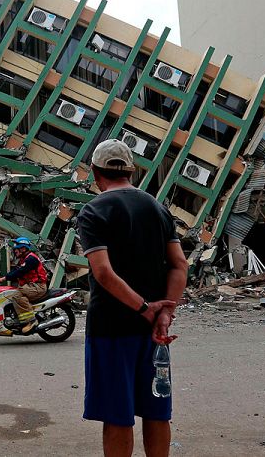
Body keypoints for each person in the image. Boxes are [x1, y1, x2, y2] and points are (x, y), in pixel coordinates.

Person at [76, 139, 187, 457]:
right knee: (156, 411)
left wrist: (143, 308)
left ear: (95, 173)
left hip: (111, 329)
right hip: (155, 332)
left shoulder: (94, 211)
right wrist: (164, 312)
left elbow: (103, 273)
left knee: (117, 414)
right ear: (131, 172)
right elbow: (180, 265)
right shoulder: (158, 208)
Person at [0, 237, 49, 333]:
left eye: (16, 249)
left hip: (38, 286)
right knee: (15, 296)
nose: (15, 251)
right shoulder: (24, 259)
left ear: (23, 248)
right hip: (31, 286)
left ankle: (31, 320)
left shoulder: (31, 259)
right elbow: (16, 271)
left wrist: (3, 278)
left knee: (16, 295)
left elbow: (20, 272)